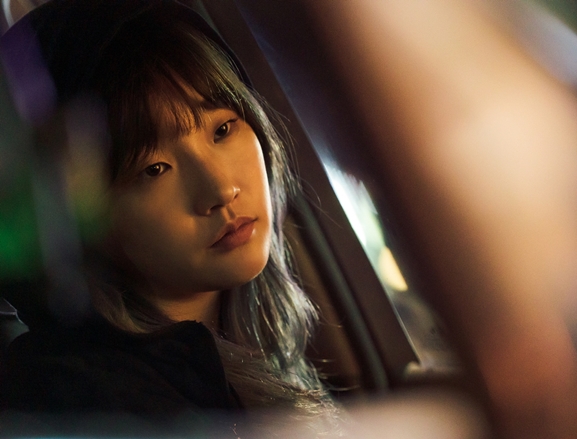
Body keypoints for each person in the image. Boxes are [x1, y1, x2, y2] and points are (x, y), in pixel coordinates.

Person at [0, 0, 336, 434]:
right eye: (154, 169)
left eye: (222, 129)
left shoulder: (256, 345)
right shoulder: (82, 399)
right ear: (79, 216)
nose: (221, 190)